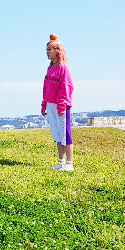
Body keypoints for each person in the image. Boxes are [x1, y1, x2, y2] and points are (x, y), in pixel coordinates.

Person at [41, 34, 74, 171]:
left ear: (57, 50)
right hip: (51, 104)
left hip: (61, 105)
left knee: (65, 133)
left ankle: (70, 163)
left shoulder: (63, 68)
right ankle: (61, 162)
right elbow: (46, 87)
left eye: (49, 49)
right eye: (46, 49)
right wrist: (44, 103)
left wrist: (62, 104)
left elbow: (66, 87)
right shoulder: (50, 68)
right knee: (57, 135)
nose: (47, 52)